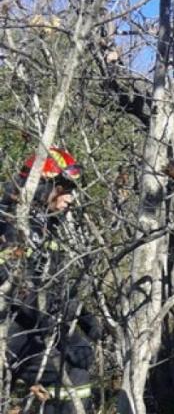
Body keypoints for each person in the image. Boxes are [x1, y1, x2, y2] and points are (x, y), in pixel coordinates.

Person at [1, 148, 101, 413]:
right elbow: (19, 291)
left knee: (77, 363)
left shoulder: (44, 225)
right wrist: (56, 327)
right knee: (70, 375)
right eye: (64, 188)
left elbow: (53, 284)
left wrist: (84, 317)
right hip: (9, 328)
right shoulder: (11, 223)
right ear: (43, 185)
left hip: (29, 325)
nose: (71, 198)